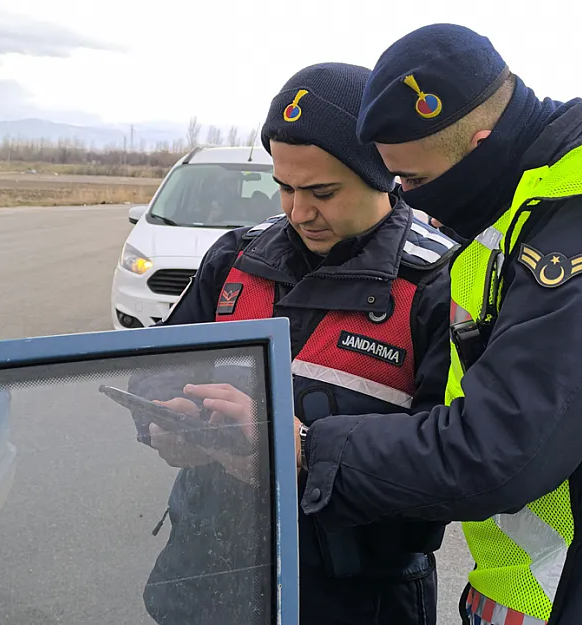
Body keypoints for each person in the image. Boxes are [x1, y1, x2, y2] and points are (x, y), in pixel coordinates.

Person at [192, 23, 582, 625]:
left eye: (413, 182)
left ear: (479, 143)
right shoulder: (528, 207)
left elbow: (501, 449)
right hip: (563, 582)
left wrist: (308, 447)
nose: (411, 204)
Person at [129, 61, 458, 625]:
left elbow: (451, 470)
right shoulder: (235, 260)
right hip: (209, 576)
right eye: (284, 186)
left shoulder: (437, 283)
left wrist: (300, 455)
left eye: (323, 192)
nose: (298, 211)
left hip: (354, 597)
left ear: (382, 174)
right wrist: (164, 424)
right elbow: (157, 369)